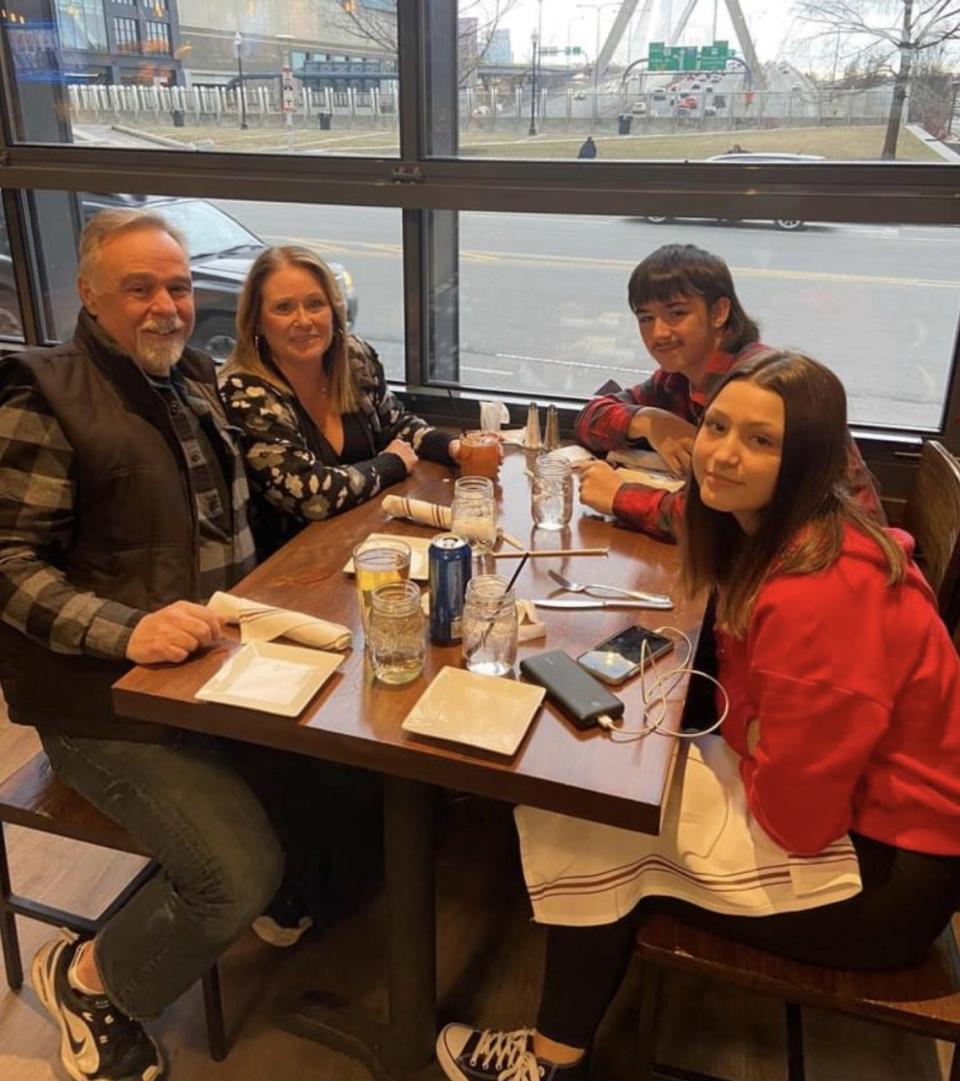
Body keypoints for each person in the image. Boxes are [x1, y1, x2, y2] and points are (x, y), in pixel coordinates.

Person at [436, 352, 960, 1081]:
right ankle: (562, 1044)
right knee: (602, 791)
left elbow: (798, 817)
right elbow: (759, 716)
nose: (721, 453)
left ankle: (550, 1061)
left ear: (808, 457)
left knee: (601, 822)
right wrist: (748, 730)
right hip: (850, 813)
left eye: (761, 440)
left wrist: (745, 734)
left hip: (884, 878)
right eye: (717, 426)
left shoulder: (819, 593)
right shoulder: (781, 538)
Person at [0, 209, 286, 1081]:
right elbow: (8, 563)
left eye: (178, 285)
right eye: (140, 288)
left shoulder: (187, 378)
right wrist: (132, 630)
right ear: (88, 295)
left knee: (349, 771)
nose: (166, 305)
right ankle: (90, 976)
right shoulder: (44, 392)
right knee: (239, 876)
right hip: (100, 701)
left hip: (207, 671)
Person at [574, 243, 881, 540]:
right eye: (646, 318)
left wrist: (618, 495)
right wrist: (648, 420)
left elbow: (723, 524)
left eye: (676, 314)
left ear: (719, 313)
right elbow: (590, 418)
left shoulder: (757, 384)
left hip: (828, 556)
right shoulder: (678, 378)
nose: (658, 333)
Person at [221, 245, 463, 555]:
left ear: (334, 310)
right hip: (292, 567)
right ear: (256, 321)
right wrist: (390, 464)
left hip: (366, 538)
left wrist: (450, 447)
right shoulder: (245, 392)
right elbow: (312, 496)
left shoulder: (352, 357)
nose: (304, 320)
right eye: (284, 308)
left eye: (315, 304)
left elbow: (395, 424)